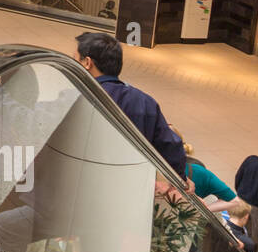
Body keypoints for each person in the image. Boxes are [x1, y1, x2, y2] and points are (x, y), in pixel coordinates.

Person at [74, 32, 186, 178]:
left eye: (75, 59)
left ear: (87, 63)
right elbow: (171, 147)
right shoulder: (146, 102)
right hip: (130, 183)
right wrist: (180, 178)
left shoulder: (77, 96)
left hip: (83, 178)